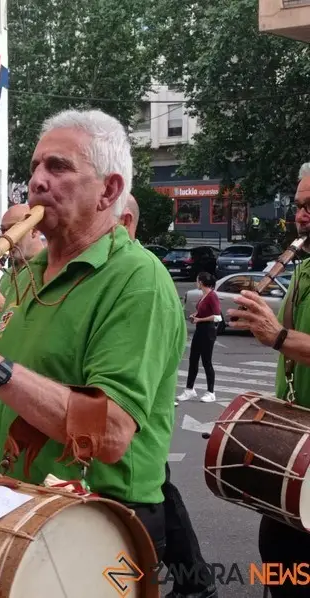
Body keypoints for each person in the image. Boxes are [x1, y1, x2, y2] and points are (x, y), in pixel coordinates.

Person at [0, 109, 185, 566]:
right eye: (35, 167)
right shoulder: (26, 275)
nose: (36, 181)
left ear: (109, 191)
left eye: (58, 167)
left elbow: (110, 433)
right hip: (16, 508)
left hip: (97, 523)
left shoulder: (139, 279)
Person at [121, 196, 218, 598]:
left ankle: (196, 585)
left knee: (157, 500)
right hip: (129, 451)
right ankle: (196, 585)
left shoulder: (142, 278)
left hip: (134, 443)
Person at [228, 162, 310, 598]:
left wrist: (277, 335)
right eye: (299, 206)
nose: (301, 216)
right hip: (298, 445)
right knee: (277, 556)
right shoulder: (303, 267)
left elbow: (287, 341)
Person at [0, 204, 47, 338]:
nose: (5, 238)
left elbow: (45, 328)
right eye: (2, 231)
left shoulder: (49, 271)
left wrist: (5, 307)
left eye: (12, 229)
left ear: (34, 230)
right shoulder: (7, 275)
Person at [177, 273, 220, 404]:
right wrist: (196, 315)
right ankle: (189, 389)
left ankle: (211, 392)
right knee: (193, 360)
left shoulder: (212, 296)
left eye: (197, 280)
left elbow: (217, 317)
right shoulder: (204, 295)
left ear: (201, 282)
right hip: (199, 331)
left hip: (208, 331)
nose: (196, 282)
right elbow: (204, 311)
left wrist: (199, 319)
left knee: (206, 362)